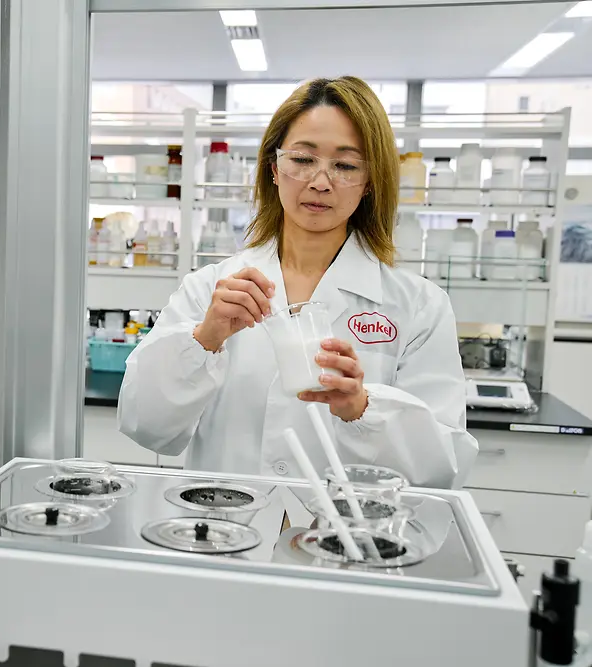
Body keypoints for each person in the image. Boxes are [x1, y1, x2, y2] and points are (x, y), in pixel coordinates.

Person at [117, 76, 477, 489]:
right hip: (223, 536)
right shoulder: (209, 290)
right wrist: (205, 338)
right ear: (274, 168)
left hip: (346, 542)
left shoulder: (418, 307)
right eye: (302, 160)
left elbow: (443, 466)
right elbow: (145, 426)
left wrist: (361, 408)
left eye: (345, 165)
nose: (320, 182)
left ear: (369, 182)